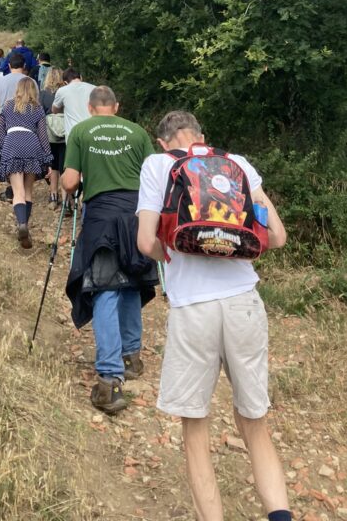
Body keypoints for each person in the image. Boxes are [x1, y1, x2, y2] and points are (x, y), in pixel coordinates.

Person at [136, 110, 291, 521]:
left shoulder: (159, 166)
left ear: (163, 141)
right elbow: (277, 237)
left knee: (195, 428)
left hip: (193, 310)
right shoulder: (236, 164)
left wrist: (171, 255)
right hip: (244, 303)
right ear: (202, 137)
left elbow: (145, 240)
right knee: (254, 423)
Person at [62, 86, 157, 414]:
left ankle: (109, 378)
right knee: (131, 280)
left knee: (104, 287)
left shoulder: (81, 130)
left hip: (102, 215)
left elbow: (70, 182)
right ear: (116, 106)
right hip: (135, 215)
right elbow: (152, 178)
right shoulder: (137, 131)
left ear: (90, 108)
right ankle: (132, 356)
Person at [0, 77, 52, 248]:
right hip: (32, 145)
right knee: (27, 191)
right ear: (34, 90)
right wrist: (48, 160)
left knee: (17, 191)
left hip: (12, 142)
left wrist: (5, 148)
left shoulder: (8, 106)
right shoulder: (38, 108)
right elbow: (43, 136)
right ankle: (24, 225)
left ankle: (21, 225)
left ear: (17, 89)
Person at [0, 52, 33, 135]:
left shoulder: (1, 81)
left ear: (9, 65)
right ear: (24, 65)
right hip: (26, 124)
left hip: (5, 123)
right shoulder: (32, 82)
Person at [40, 66, 66, 207]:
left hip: (49, 134)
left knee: (53, 165)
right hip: (65, 134)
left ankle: (53, 196)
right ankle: (67, 198)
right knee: (65, 166)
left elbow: (40, 113)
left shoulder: (43, 94)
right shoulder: (65, 93)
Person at [51, 67, 95, 139]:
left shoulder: (62, 91)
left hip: (73, 133)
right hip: (92, 131)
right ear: (81, 77)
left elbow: (54, 110)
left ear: (65, 82)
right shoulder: (94, 88)